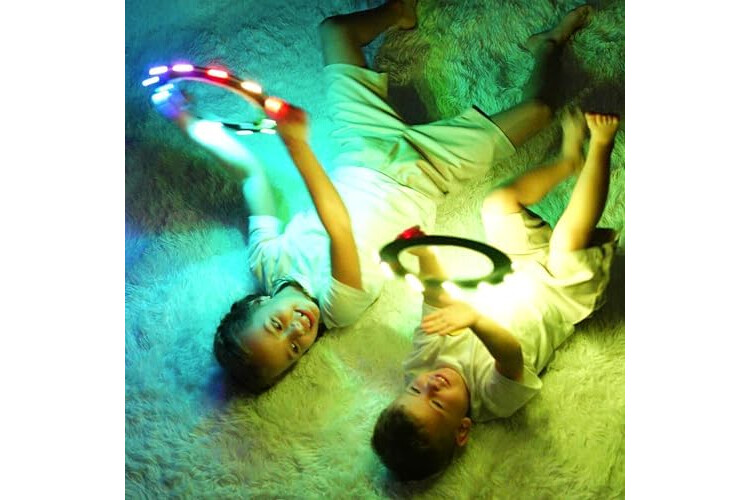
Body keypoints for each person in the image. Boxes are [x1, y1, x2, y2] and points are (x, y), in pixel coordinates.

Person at [153, 0, 594, 392]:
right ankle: (548, 45)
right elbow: (339, 228)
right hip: (426, 171)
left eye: (276, 324)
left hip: (361, 144)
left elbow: (252, 177)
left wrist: (189, 123)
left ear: (257, 302)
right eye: (293, 349)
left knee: (334, 31)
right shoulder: (337, 307)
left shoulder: (266, 262)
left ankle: (400, 12)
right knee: (539, 111)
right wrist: (297, 145)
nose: (296, 330)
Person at [371, 109, 620, 481]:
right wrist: (474, 319)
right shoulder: (493, 402)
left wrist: (423, 254)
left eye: (415, 390)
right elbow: (509, 353)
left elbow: (437, 298)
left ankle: (568, 162)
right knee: (567, 241)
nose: (430, 385)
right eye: (437, 403)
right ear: (462, 430)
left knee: (497, 202)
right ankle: (601, 145)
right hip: (558, 293)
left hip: (514, 265)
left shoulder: (421, 365)